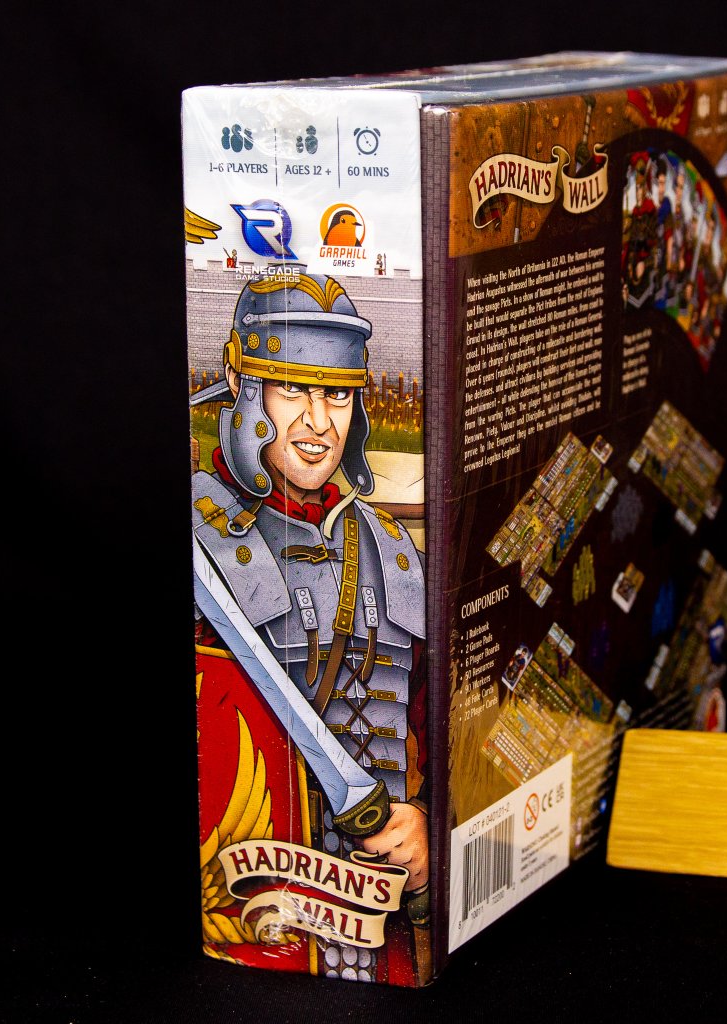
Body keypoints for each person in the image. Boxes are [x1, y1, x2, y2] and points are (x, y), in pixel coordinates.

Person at [191, 266, 427, 979]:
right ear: (243, 389)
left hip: (380, 930)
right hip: (251, 922)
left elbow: (431, 731)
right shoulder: (203, 541)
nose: (319, 424)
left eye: (337, 395)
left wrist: (426, 827)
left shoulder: (393, 550)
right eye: (293, 389)